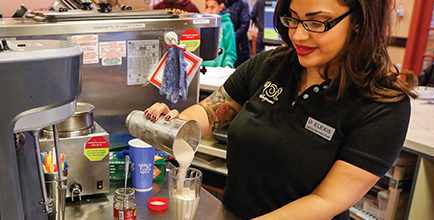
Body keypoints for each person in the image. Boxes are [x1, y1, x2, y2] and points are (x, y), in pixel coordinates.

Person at [144, 0, 415, 219]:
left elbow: (326, 201)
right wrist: (173, 122)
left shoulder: (382, 106)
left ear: (359, 21)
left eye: (316, 22)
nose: (298, 34)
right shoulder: (270, 65)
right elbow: (210, 113)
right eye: (293, 17)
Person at [215, 0, 251, 66]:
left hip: (240, 48)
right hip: (225, 47)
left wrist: (231, 39)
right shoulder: (223, 3)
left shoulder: (243, 4)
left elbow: (244, 25)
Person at [203, 0, 237, 68]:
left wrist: (228, 65)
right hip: (202, 66)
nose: (209, 10)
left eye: (212, 7)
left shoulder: (227, 25)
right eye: (207, 7)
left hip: (219, 68)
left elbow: (230, 52)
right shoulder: (201, 24)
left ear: (220, 7)